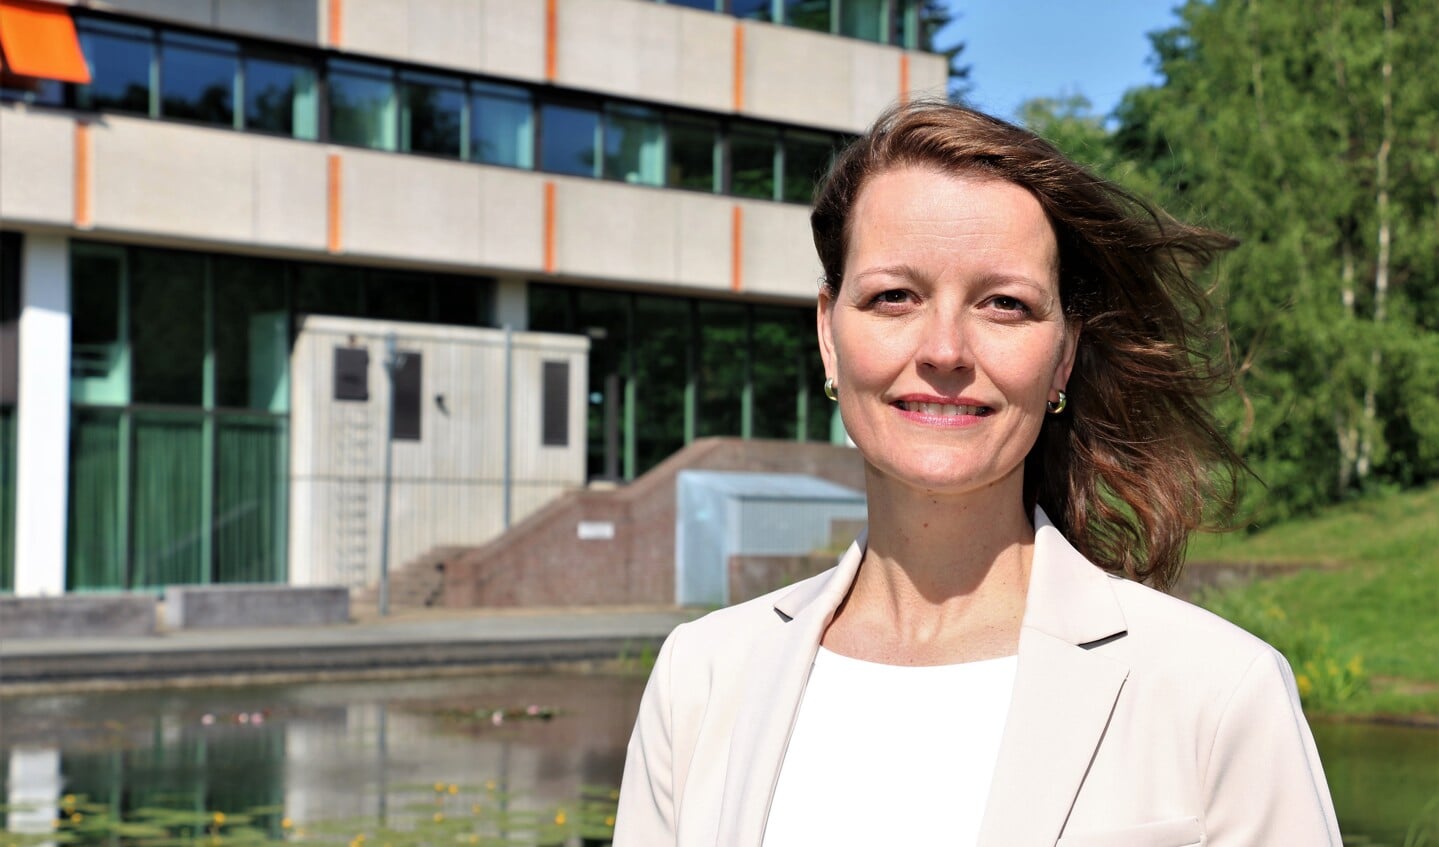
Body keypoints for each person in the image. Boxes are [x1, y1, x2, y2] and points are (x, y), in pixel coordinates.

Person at [613, 100, 1342, 846]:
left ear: (1061, 356)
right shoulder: (699, 678)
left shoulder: (1216, 690)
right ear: (829, 337)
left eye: (1003, 304)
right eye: (893, 295)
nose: (944, 349)